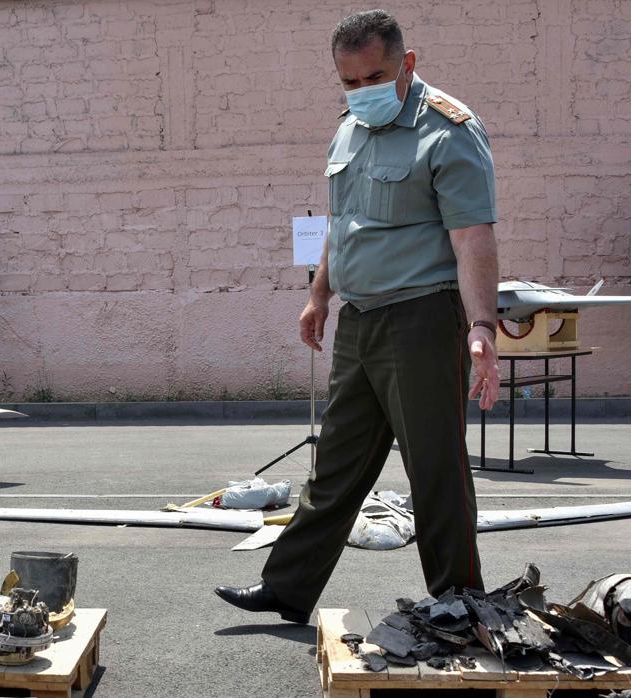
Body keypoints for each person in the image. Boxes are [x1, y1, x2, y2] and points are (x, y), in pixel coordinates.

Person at [214, 10, 501, 624]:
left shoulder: (449, 130)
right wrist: (320, 296)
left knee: (435, 468)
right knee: (336, 464)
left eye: (375, 76)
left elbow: (473, 235)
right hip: (361, 321)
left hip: (422, 319)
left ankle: (459, 602)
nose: (361, 91)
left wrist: (481, 328)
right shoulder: (347, 130)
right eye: (348, 82)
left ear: (408, 64)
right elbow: (342, 227)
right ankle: (288, 588)